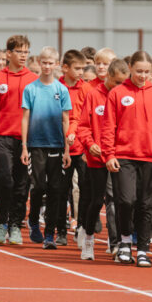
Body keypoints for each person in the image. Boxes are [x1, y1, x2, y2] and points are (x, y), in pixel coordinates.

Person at [101, 51, 152, 267]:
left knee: (146, 204)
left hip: (148, 157)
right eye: (139, 71)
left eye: (147, 72)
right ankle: (124, 242)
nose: (143, 75)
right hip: (124, 156)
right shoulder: (118, 93)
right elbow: (108, 126)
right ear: (130, 68)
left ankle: (143, 250)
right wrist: (109, 154)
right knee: (126, 200)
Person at [0, 35, 37, 246]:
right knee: (4, 180)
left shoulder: (33, 79)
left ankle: (15, 224)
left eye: (26, 52)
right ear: (8, 54)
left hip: (26, 140)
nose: (23, 56)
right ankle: (1, 222)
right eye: (19, 51)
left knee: (22, 184)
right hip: (2, 137)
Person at [20, 47, 72, 250]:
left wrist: (67, 149)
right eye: (44, 63)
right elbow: (25, 118)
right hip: (36, 144)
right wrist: (24, 147)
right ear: (39, 63)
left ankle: (50, 234)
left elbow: (66, 119)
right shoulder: (30, 89)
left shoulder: (62, 90)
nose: (48, 66)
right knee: (39, 186)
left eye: (51, 63)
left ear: (57, 64)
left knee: (55, 190)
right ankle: (33, 219)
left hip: (57, 145)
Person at [77, 58, 127, 260]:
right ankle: (88, 237)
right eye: (116, 82)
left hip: (120, 155)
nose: (119, 87)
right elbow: (83, 125)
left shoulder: (126, 97)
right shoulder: (93, 95)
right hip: (97, 158)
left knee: (118, 200)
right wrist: (90, 144)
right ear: (107, 77)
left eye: (123, 83)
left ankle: (116, 243)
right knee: (97, 200)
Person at [59, 49, 88, 247]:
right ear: (65, 68)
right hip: (60, 147)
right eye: (77, 68)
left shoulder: (86, 89)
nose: (81, 72)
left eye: (83, 69)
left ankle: (81, 227)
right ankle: (60, 229)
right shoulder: (56, 86)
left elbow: (84, 117)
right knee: (60, 190)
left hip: (81, 147)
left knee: (85, 190)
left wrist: (73, 130)